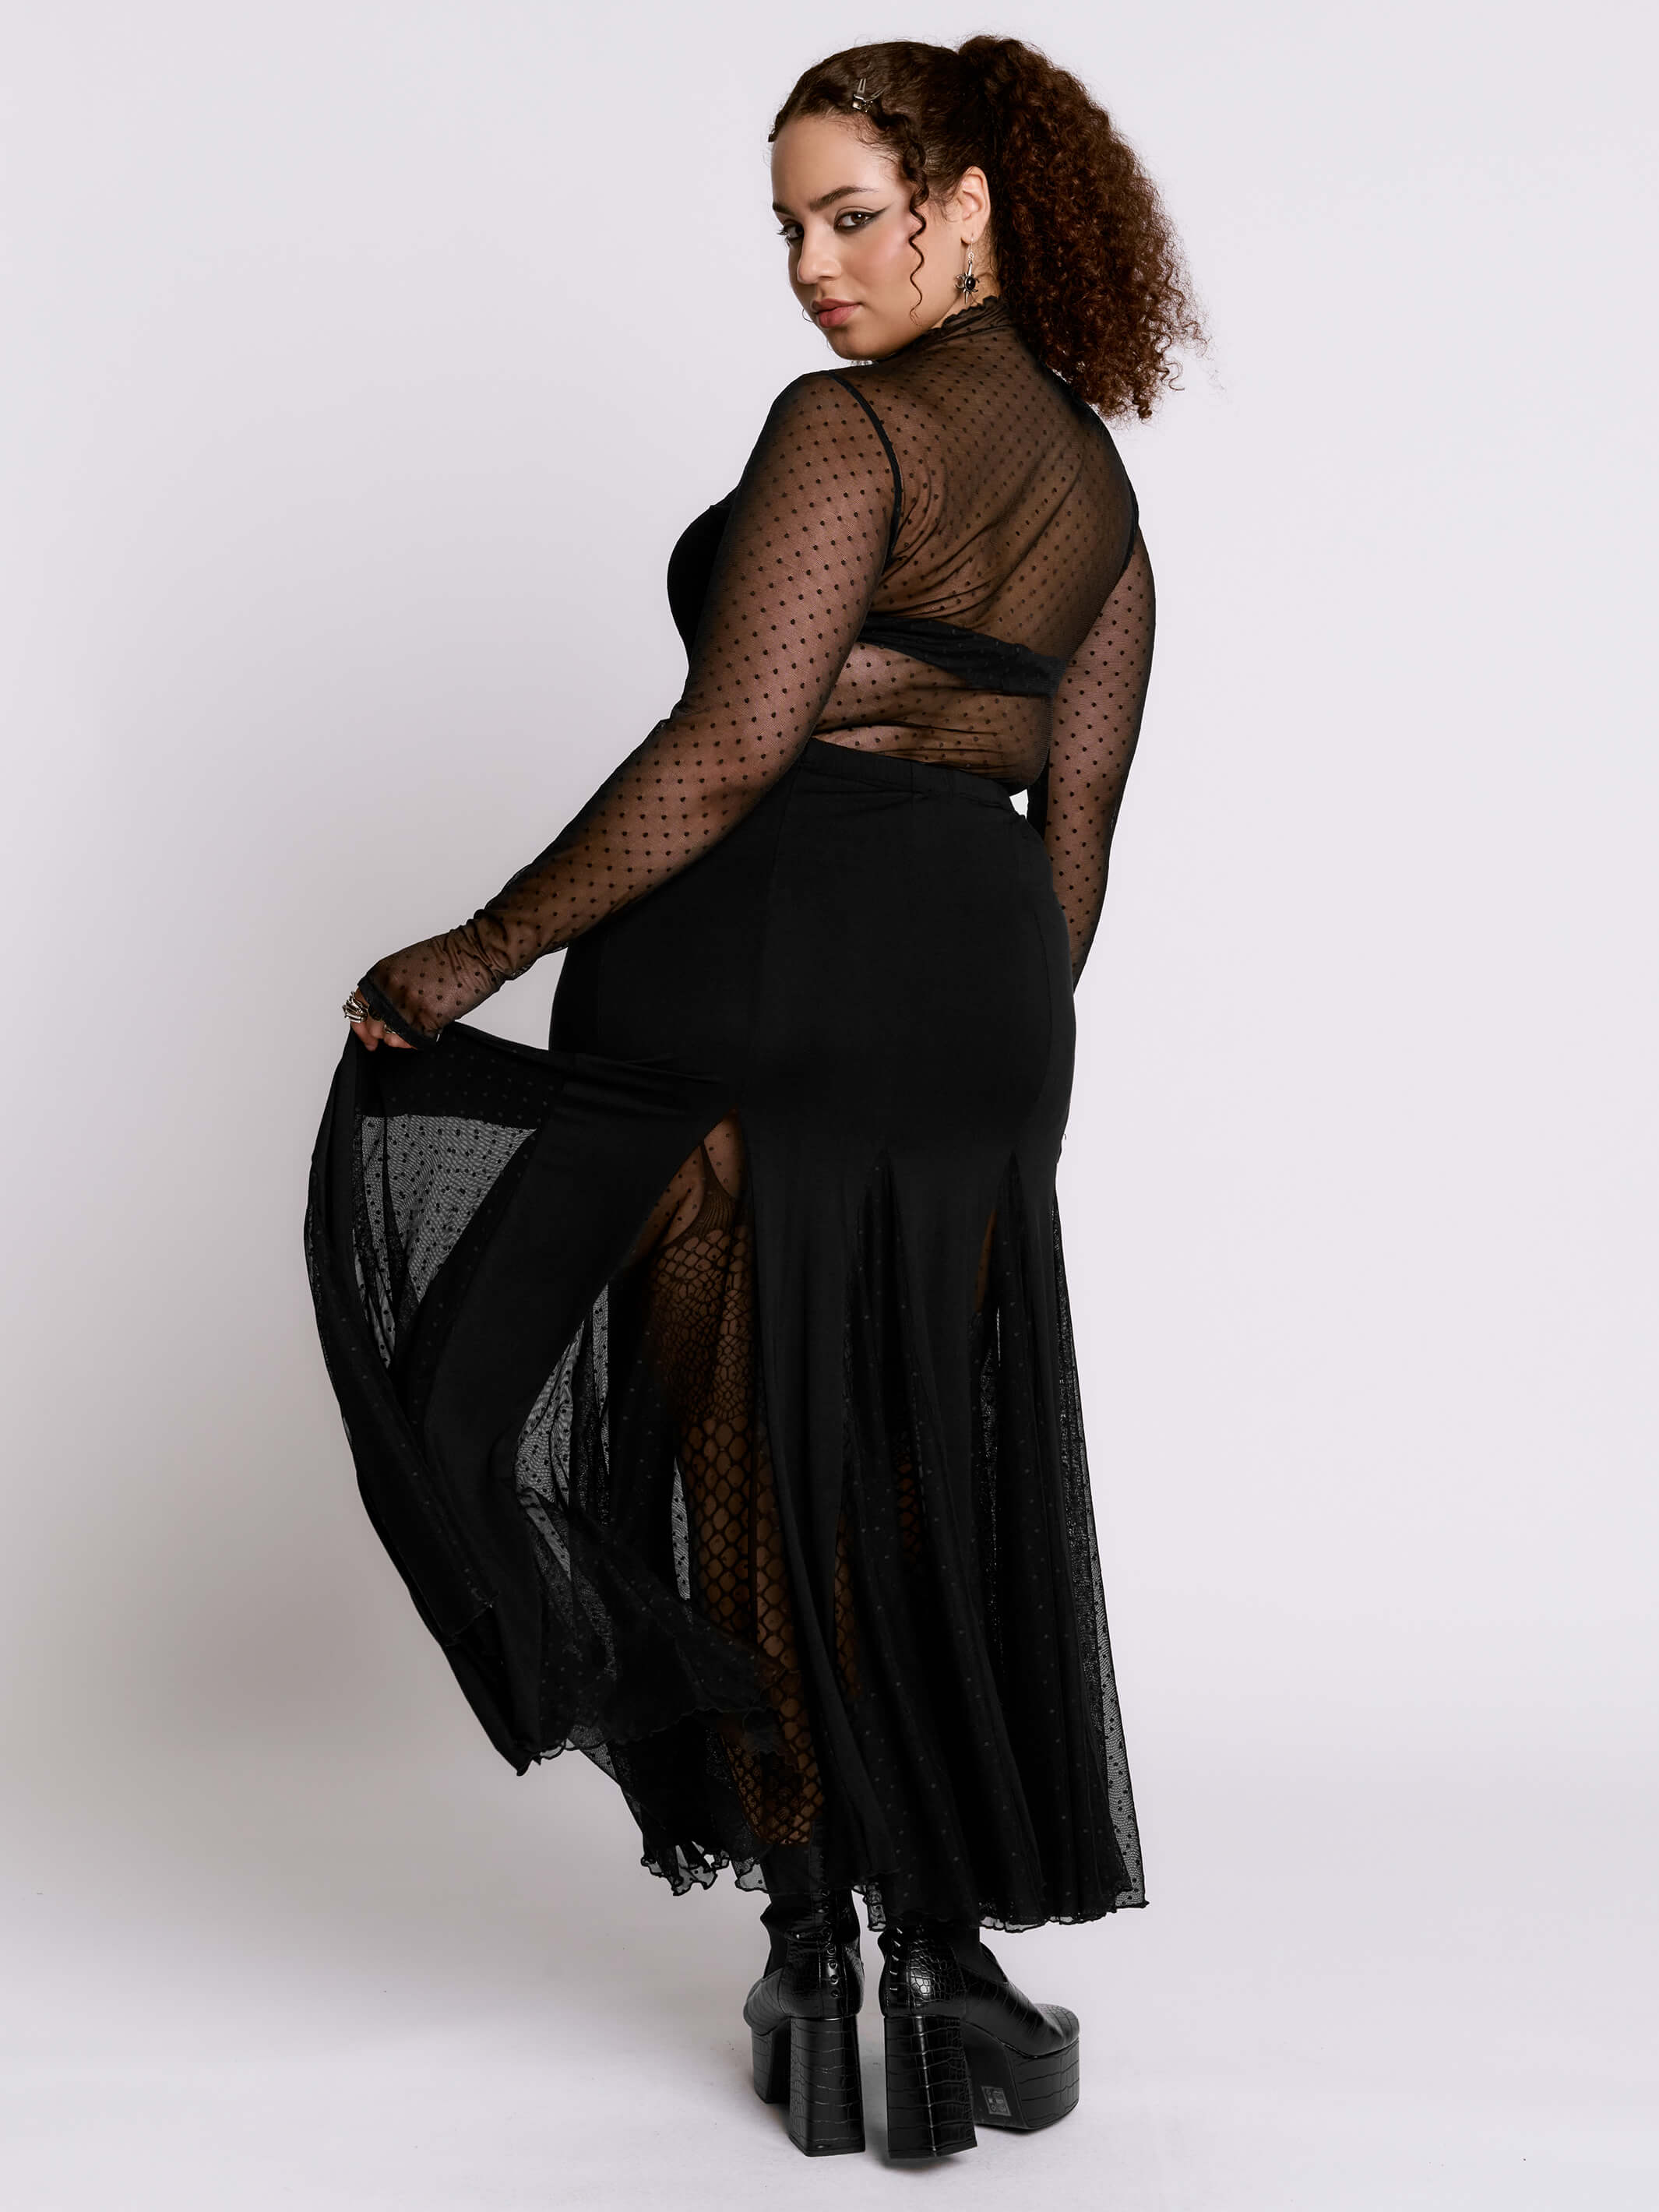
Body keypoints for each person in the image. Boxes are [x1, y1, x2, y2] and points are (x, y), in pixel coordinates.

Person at [306, 34, 1205, 2164]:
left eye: (854, 217)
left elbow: (729, 748)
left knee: (734, 1452)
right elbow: (1075, 830)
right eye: (791, 229)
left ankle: (814, 1948)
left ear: (970, 206)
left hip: (753, 970)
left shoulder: (846, 427)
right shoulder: (1095, 492)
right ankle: (950, 1960)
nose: (814, 267)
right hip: (979, 1008)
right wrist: (986, 1058)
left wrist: (472, 953)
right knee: (903, 1459)